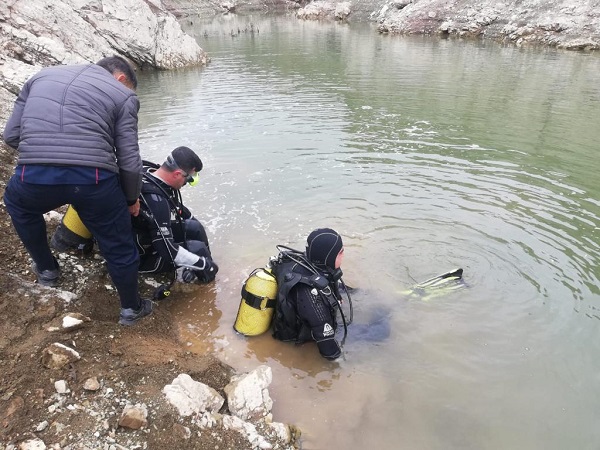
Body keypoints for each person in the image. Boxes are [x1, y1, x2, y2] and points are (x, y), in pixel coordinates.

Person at [2, 55, 152, 326]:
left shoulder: (40, 77)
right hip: (93, 179)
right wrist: (131, 198)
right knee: (118, 243)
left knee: (19, 205)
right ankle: (131, 308)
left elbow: (11, 135)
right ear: (121, 79)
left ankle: (47, 270)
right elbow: (130, 160)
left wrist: (42, 157)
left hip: (33, 174)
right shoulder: (122, 95)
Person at [132, 146, 218, 284]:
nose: (187, 183)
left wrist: (197, 262)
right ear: (177, 174)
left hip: (147, 234)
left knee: (195, 227)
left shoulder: (150, 173)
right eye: (188, 179)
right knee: (198, 250)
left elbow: (182, 211)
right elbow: (168, 250)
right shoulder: (156, 201)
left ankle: (202, 268)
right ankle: (209, 283)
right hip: (140, 257)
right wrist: (203, 264)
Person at [271, 228, 347, 361]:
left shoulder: (305, 263)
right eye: (341, 252)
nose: (343, 255)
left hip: (301, 307)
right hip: (298, 335)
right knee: (380, 332)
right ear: (329, 256)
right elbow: (330, 354)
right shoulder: (312, 297)